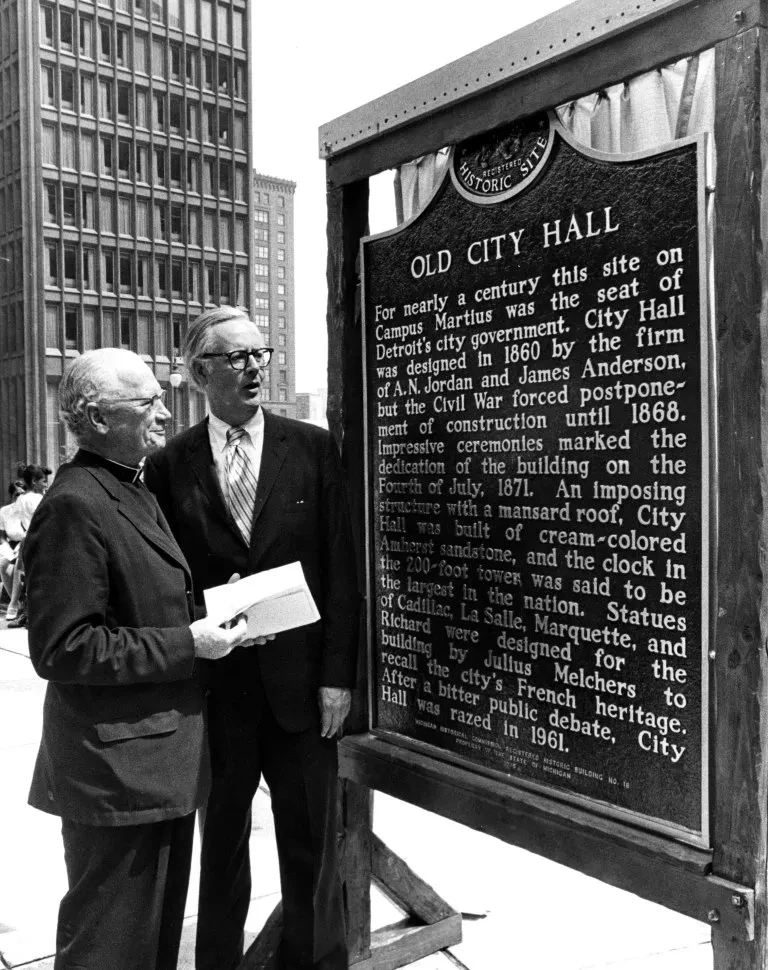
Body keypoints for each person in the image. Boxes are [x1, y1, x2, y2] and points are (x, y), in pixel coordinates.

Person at [145, 306, 360, 970]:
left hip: (302, 693)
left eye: (259, 353)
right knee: (221, 850)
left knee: (309, 850)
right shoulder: (168, 465)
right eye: (236, 358)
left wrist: (337, 677)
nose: (254, 367)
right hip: (217, 691)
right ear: (199, 372)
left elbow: (341, 566)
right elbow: (163, 576)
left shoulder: (314, 446)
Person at [25, 348, 252, 970]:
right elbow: (63, 647)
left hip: (153, 766)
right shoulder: (75, 504)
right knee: (110, 947)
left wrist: (221, 610)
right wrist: (191, 643)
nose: (165, 410)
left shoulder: (129, 487)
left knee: (149, 947)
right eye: (146, 401)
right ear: (97, 419)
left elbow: (140, 603)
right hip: (116, 774)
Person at [6, 464, 52, 625]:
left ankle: (21, 609)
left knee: (25, 575)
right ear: (34, 481)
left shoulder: (21, 500)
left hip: (27, 539)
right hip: (42, 540)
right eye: (43, 481)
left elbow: (14, 523)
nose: (45, 484)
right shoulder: (40, 499)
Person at [0, 478, 26, 607]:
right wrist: (6, 548)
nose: (20, 498)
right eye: (17, 494)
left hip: (26, 544)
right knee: (3, 565)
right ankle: (17, 605)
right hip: (11, 545)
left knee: (18, 564)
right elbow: (2, 536)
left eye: (23, 494)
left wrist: (20, 547)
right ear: (11, 495)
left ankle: (13, 605)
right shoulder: (4, 511)